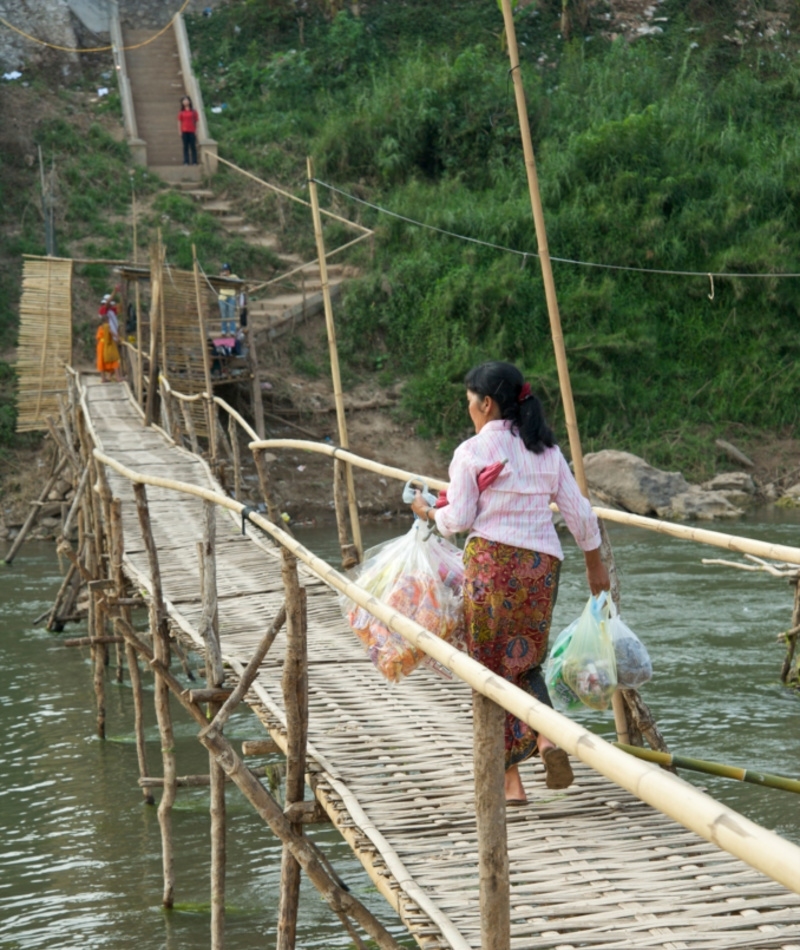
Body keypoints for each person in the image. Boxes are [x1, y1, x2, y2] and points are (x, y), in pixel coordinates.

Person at [410, 360, 610, 805]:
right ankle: (546, 738)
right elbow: (580, 515)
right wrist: (596, 567)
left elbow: (457, 520)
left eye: (469, 403)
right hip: (540, 570)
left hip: (492, 570)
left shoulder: (471, 453)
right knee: (526, 662)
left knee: (489, 673)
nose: (469, 411)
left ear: (486, 403)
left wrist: (428, 511)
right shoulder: (547, 451)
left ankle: (513, 785)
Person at [96, 292, 122, 382]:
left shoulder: (101, 326)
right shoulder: (104, 311)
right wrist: (115, 291)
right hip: (108, 343)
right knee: (114, 359)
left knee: (103, 360)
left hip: (102, 344)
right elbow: (111, 332)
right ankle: (116, 377)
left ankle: (106, 378)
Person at [217, 263, 239, 335]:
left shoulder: (234, 276)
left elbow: (238, 282)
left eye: (227, 270)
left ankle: (232, 330)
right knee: (224, 314)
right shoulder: (221, 277)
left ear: (230, 270)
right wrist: (221, 276)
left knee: (231, 314)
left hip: (231, 297)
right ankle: (224, 330)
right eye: (224, 270)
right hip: (222, 297)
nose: (226, 271)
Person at [178, 95, 199, 166]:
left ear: (189, 101)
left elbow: (196, 121)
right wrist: (179, 131)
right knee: (185, 147)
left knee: (193, 146)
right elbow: (179, 122)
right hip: (184, 131)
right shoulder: (181, 112)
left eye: (186, 100)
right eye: (184, 101)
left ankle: (194, 161)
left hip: (192, 130)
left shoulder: (193, 111)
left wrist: (196, 130)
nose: (185, 102)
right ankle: (186, 161)